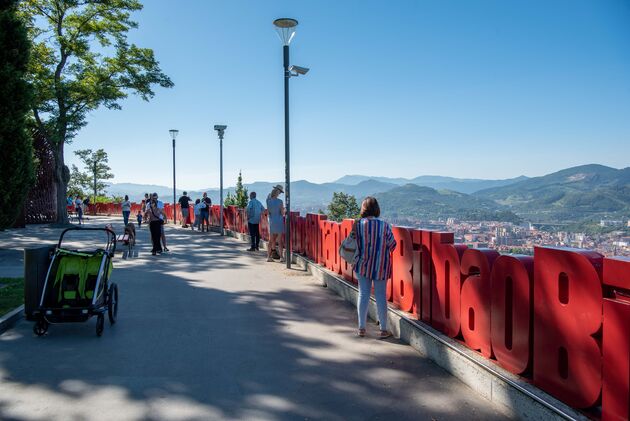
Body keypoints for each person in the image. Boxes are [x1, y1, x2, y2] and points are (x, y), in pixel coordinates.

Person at [354, 196, 397, 339]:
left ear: (364, 209)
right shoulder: (384, 225)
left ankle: (361, 328)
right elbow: (393, 245)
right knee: (381, 296)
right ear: (376, 209)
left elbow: (353, 244)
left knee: (363, 294)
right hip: (381, 266)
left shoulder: (358, 224)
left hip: (362, 265)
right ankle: (384, 329)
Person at [266, 185, 285, 262]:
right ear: (278, 192)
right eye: (280, 192)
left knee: (270, 240)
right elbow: (282, 212)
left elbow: (269, 211)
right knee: (279, 241)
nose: (280, 193)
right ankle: (281, 257)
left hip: (271, 221)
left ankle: (268, 257)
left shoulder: (268, 201)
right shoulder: (280, 202)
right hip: (279, 221)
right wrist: (284, 211)